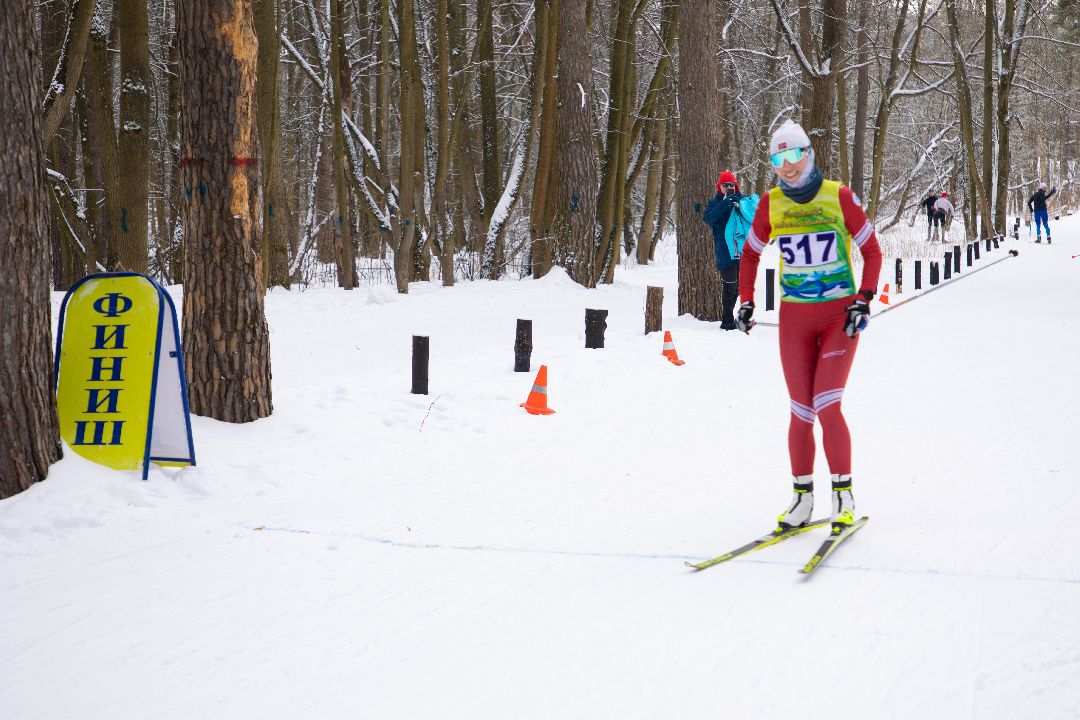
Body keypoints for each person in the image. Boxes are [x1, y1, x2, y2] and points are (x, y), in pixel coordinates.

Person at [734, 119, 882, 536]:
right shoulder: (770, 204)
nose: (787, 165)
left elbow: (871, 251)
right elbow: (749, 256)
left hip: (838, 318)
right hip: (794, 320)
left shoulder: (840, 197)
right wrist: (746, 300)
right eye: (777, 158)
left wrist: (863, 298)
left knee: (826, 403)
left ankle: (844, 497)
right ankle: (801, 499)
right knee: (800, 411)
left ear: (808, 154)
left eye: (793, 154)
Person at [703, 170, 758, 330]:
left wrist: (739, 206)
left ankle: (730, 317)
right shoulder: (715, 203)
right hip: (725, 251)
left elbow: (753, 217)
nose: (728, 187)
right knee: (730, 286)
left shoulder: (742, 201)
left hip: (743, 251)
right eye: (725, 185)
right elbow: (709, 219)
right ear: (719, 186)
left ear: (736, 185)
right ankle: (726, 321)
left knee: (740, 287)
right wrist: (725, 204)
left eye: (731, 184)